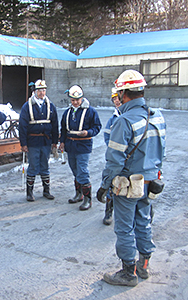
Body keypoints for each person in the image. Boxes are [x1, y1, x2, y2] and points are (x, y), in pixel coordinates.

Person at [96, 70, 166, 286]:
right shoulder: (158, 117)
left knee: (124, 227)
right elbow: (161, 152)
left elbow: (114, 161)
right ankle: (143, 266)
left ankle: (128, 273)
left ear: (124, 93)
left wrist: (104, 185)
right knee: (143, 221)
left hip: (128, 185)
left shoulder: (124, 121)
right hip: (150, 182)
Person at [59, 85, 101, 210]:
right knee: (75, 170)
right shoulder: (67, 112)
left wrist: (88, 133)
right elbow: (63, 129)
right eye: (73, 100)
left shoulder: (91, 111)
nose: (76, 102)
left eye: (78, 100)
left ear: (82, 98)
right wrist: (62, 142)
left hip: (83, 146)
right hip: (71, 145)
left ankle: (88, 199)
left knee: (82, 171)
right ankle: (79, 194)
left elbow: (97, 127)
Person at [19, 79, 59, 202]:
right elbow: (22, 126)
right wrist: (23, 144)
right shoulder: (27, 106)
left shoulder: (50, 105)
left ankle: (46, 191)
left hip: (46, 142)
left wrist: (55, 142)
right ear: (34, 91)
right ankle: (29, 193)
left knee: (45, 165)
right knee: (33, 166)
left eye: (43, 90)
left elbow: (55, 124)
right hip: (33, 142)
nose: (42, 93)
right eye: (39, 90)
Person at [102, 88, 122, 225]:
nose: (116, 101)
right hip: (116, 157)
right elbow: (107, 136)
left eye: (118, 98)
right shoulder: (113, 119)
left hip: (130, 159)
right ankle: (109, 211)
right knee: (111, 185)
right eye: (114, 99)